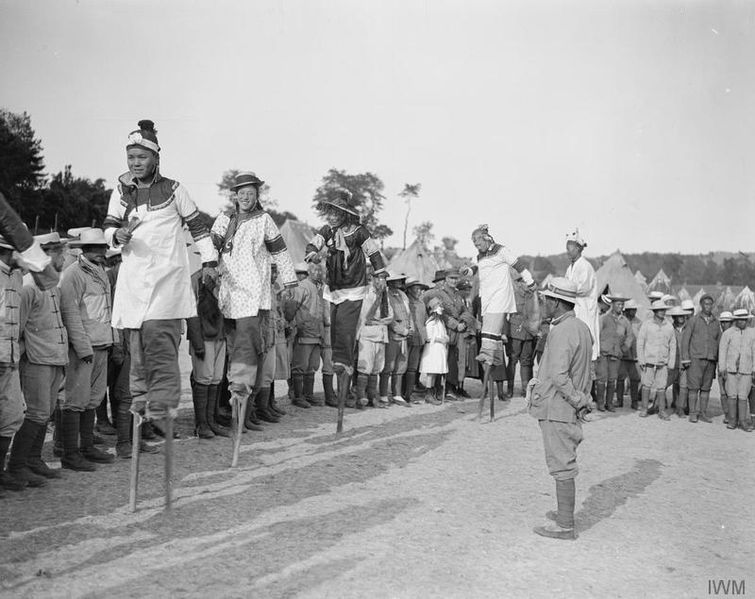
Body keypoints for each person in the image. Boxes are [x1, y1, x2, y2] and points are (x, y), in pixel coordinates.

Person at [103, 119, 219, 434]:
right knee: (137, 356)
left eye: (142, 157)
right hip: (135, 282)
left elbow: (198, 227)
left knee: (163, 348)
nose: (136, 163)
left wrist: (209, 262)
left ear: (155, 157)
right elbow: (109, 226)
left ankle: (162, 409)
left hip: (167, 279)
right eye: (131, 158)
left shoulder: (174, 189)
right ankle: (139, 424)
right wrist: (117, 235)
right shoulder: (120, 190)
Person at [210, 171, 297, 429]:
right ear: (235, 196)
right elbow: (210, 247)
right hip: (225, 292)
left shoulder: (264, 220)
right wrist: (208, 267)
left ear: (257, 195)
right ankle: (220, 415)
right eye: (241, 193)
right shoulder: (224, 218)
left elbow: (280, 251)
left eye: (251, 193)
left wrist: (290, 281)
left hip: (251, 295)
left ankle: (242, 416)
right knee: (225, 354)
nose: (246, 197)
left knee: (248, 354)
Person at [305, 189, 387, 406]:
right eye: (330, 212)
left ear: (345, 214)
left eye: (336, 213)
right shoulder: (327, 231)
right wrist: (313, 253)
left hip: (354, 286)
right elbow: (313, 244)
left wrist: (380, 275)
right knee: (336, 326)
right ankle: (340, 363)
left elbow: (374, 253)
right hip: (334, 287)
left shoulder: (358, 231)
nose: (332, 216)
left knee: (346, 327)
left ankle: (343, 364)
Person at [528, 278, 593, 541]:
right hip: (566, 406)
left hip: (558, 407)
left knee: (561, 464)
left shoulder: (563, 331)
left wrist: (578, 400)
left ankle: (565, 524)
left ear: (556, 302)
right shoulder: (580, 327)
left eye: (546, 300)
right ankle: (564, 514)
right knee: (563, 460)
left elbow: (558, 375)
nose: (544, 304)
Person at [7, 233, 68, 488]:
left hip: (55, 357)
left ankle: (33, 459)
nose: (61, 256)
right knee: (35, 411)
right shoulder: (29, 286)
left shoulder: (51, 284)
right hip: (36, 359)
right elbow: (17, 328)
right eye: (55, 251)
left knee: (46, 410)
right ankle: (17, 465)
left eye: (59, 250)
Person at [58, 228, 117, 470]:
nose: (102, 253)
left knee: (93, 398)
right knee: (75, 400)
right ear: (86, 250)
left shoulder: (100, 272)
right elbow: (71, 313)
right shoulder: (73, 274)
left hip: (101, 343)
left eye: (103, 248)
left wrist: (112, 340)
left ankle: (87, 446)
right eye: (98, 249)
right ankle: (70, 453)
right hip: (85, 347)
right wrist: (83, 348)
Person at [463, 225, 535, 372]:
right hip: (487, 296)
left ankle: (487, 355)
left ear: (486, 239)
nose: (477, 247)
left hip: (500, 295)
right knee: (488, 328)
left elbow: (519, 266)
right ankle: (491, 356)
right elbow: (477, 266)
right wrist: (469, 271)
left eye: (478, 244)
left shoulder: (501, 251)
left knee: (491, 327)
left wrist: (530, 281)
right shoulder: (480, 255)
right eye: (475, 245)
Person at [186, 272, 228, 439]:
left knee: (216, 378)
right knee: (204, 378)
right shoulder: (196, 279)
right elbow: (190, 310)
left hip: (220, 334)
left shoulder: (224, 276)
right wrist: (197, 341)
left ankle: (211, 421)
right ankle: (201, 424)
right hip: (204, 336)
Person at [422, 269, 473, 399]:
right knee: (442, 359)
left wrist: (463, 322)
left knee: (456, 360)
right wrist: (456, 324)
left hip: (459, 331)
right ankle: (439, 389)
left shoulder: (458, 295)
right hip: (445, 330)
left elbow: (465, 311)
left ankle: (451, 388)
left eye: (456, 279)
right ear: (446, 279)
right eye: (451, 278)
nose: (454, 281)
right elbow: (440, 313)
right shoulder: (438, 293)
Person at [354, 272, 393, 408]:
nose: (382, 281)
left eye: (384, 278)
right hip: (367, 335)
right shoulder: (367, 293)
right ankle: (361, 397)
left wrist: (380, 321)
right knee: (365, 367)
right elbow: (367, 315)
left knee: (377, 368)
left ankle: (372, 397)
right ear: (373, 278)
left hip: (381, 335)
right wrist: (380, 320)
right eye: (379, 278)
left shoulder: (384, 295)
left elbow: (390, 316)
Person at [290, 262, 326, 408]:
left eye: (320, 271)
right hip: (304, 332)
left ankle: (308, 395)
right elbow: (292, 307)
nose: (319, 273)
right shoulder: (303, 286)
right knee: (300, 366)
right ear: (309, 272)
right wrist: (295, 325)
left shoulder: (317, 288)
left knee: (312, 366)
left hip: (316, 333)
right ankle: (298, 396)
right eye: (316, 271)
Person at [680, 294, 720, 423]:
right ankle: (692, 413)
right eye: (706, 304)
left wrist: (718, 360)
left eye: (710, 304)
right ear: (701, 305)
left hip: (710, 360)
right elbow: (685, 341)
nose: (708, 306)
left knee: (706, 388)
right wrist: (686, 358)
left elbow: (718, 341)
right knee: (693, 387)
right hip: (695, 359)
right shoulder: (694, 320)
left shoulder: (716, 322)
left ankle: (703, 413)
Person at [636, 301, 676, 420]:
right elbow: (640, 342)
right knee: (646, 385)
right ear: (654, 311)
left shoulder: (668, 326)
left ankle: (662, 410)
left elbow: (673, 344)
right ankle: (644, 409)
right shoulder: (647, 324)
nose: (663, 312)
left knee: (662, 386)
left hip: (662, 361)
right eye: (660, 310)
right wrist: (641, 359)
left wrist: (671, 362)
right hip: (649, 361)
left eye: (664, 310)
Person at [564, 229, 599, 361]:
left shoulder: (585, 266)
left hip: (584, 309)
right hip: (574, 308)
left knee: (585, 340)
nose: (567, 251)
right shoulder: (570, 268)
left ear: (578, 248)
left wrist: (564, 289)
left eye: (570, 248)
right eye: (567, 248)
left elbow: (583, 289)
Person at [717, 309, 754, 432]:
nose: (742, 322)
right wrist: (722, 368)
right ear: (735, 320)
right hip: (731, 370)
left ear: (747, 320)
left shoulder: (752, 333)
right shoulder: (728, 333)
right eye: (739, 319)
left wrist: (754, 369)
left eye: (744, 319)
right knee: (732, 395)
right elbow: (722, 352)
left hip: (746, 370)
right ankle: (732, 420)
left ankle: (743, 421)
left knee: (743, 396)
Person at [596, 294, 633, 412]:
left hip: (616, 354)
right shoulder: (604, 318)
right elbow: (597, 333)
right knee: (602, 378)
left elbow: (630, 337)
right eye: (618, 304)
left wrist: (624, 349)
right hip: (603, 353)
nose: (620, 306)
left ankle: (609, 403)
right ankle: (600, 403)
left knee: (612, 379)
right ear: (612, 304)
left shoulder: (625, 321)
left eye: (622, 304)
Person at [504, 275, 539, 399]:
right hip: (515, 330)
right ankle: (510, 388)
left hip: (529, 332)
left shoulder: (534, 296)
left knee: (526, 361)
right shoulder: (512, 295)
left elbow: (537, 314)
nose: (526, 285)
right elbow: (505, 314)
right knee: (512, 360)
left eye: (527, 282)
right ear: (518, 283)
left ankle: (525, 389)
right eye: (523, 282)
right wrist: (504, 332)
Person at [381, 273, 413, 406]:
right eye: (395, 280)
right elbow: (388, 318)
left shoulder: (402, 295)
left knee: (401, 366)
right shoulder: (385, 296)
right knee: (389, 365)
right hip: (392, 336)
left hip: (404, 336)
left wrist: (411, 328)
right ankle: (383, 394)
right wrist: (402, 330)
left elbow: (408, 313)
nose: (398, 283)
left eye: (399, 280)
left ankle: (397, 394)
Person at [419, 298, 449, 405]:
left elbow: (444, 333)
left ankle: (434, 392)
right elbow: (428, 336)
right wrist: (439, 339)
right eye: (439, 306)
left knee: (436, 372)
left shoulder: (440, 322)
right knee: (431, 373)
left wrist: (446, 338)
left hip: (439, 349)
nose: (441, 308)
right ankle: (428, 393)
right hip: (432, 349)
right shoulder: (430, 322)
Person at [403, 277, 429, 404]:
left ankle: (408, 394)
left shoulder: (421, 303)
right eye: (417, 288)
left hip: (419, 339)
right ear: (409, 289)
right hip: (407, 337)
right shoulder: (405, 302)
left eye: (420, 289)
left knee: (413, 367)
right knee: (403, 367)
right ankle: (401, 393)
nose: (419, 291)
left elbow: (425, 320)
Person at [667, 306, 691, 418]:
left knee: (683, 386)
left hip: (685, 361)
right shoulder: (669, 328)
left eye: (683, 315)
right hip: (673, 361)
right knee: (665, 384)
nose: (681, 318)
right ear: (674, 317)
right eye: (678, 316)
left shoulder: (689, 328)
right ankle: (658, 405)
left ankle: (680, 408)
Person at [617, 299, 641, 409]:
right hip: (623, 355)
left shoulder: (639, 322)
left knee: (635, 378)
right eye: (631, 310)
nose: (634, 312)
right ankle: (619, 400)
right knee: (620, 378)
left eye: (635, 310)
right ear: (626, 310)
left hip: (635, 355)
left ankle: (634, 401)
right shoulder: (620, 321)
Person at [716, 311, 734, 423]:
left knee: (732, 392)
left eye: (726, 322)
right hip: (721, 367)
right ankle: (727, 413)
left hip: (732, 368)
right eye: (722, 322)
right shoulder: (719, 335)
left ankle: (733, 414)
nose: (724, 324)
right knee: (723, 392)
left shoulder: (735, 334)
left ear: (731, 323)